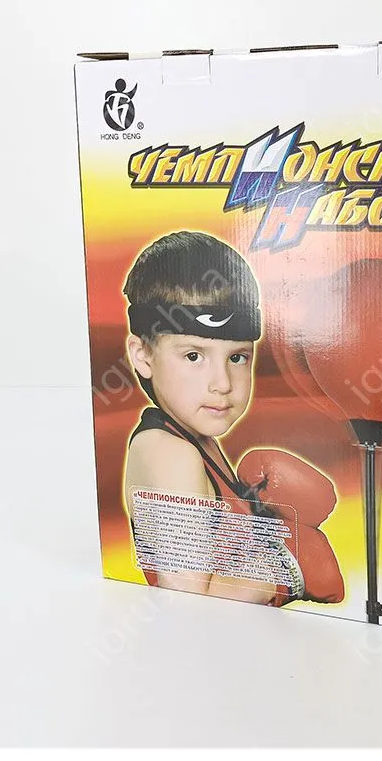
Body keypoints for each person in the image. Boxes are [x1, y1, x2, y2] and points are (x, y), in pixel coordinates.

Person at [121, 230, 343, 607]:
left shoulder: (196, 438)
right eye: (193, 356)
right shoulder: (170, 454)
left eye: (237, 357)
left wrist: (261, 517)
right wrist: (287, 567)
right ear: (143, 356)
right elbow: (186, 603)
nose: (222, 383)